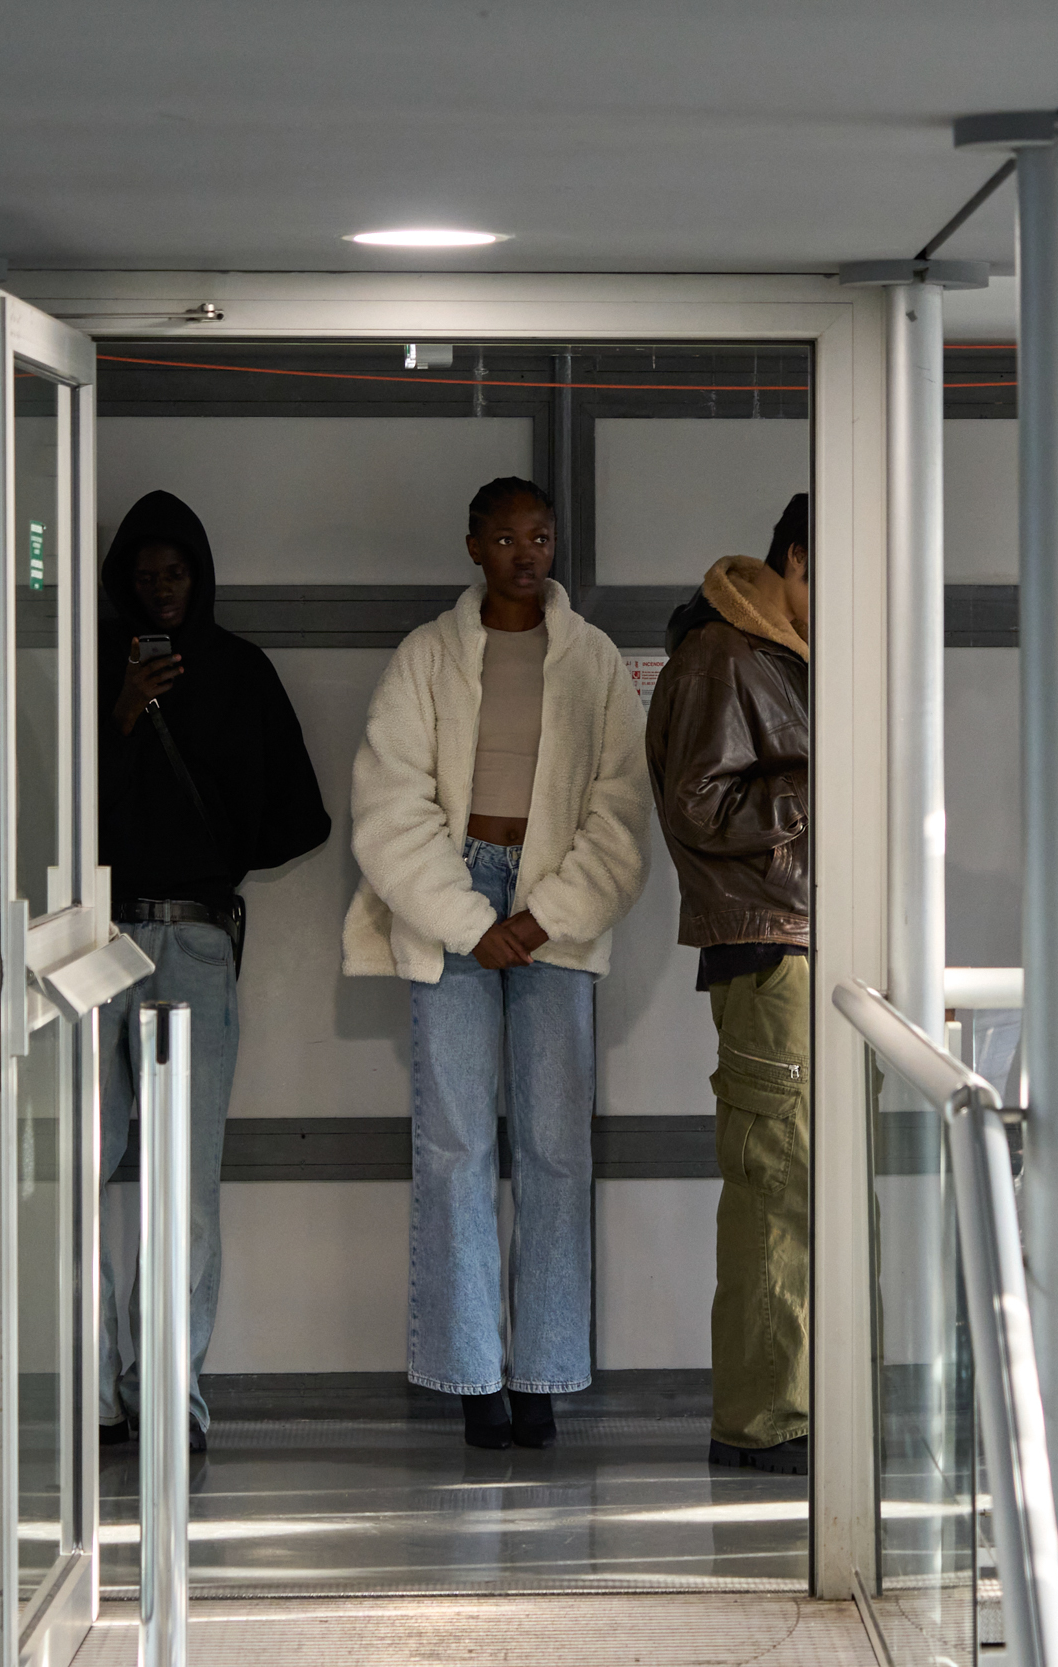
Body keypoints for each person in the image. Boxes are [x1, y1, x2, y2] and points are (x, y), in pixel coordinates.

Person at [343, 476, 653, 1451]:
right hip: (453, 892)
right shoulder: (426, 657)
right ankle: (471, 1372)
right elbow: (389, 804)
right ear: (472, 545)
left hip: (555, 892)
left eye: (542, 536)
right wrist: (468, 917)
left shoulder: (593, 660)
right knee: (456, 1148)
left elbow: (621, 812)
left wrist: (542, 914)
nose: (527, 551)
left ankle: (546, 1371)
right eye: (508, 536)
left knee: (557, 1148)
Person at [96, 489, 330, 1453]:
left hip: (194, 937)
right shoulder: (99, 676)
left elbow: (301, 816)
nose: (160, 591)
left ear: (200, 575)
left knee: (182, 1181)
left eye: (175, 572)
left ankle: (170, 1395)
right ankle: (107, 1390)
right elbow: (62, 814)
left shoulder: (239, 673)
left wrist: (214, 851)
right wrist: (120, 714)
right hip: (95, 938)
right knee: (90, 1172)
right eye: (145, 576)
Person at [644, 493, 814, 1477]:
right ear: (795, 555)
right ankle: (764, 1420)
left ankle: (797, 1404)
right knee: (778, 1188)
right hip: (769, 944)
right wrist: (826, 778)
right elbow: (698, 805)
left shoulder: (777, 651)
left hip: (806, 942)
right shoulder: (726, 652)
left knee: (804, 1186)